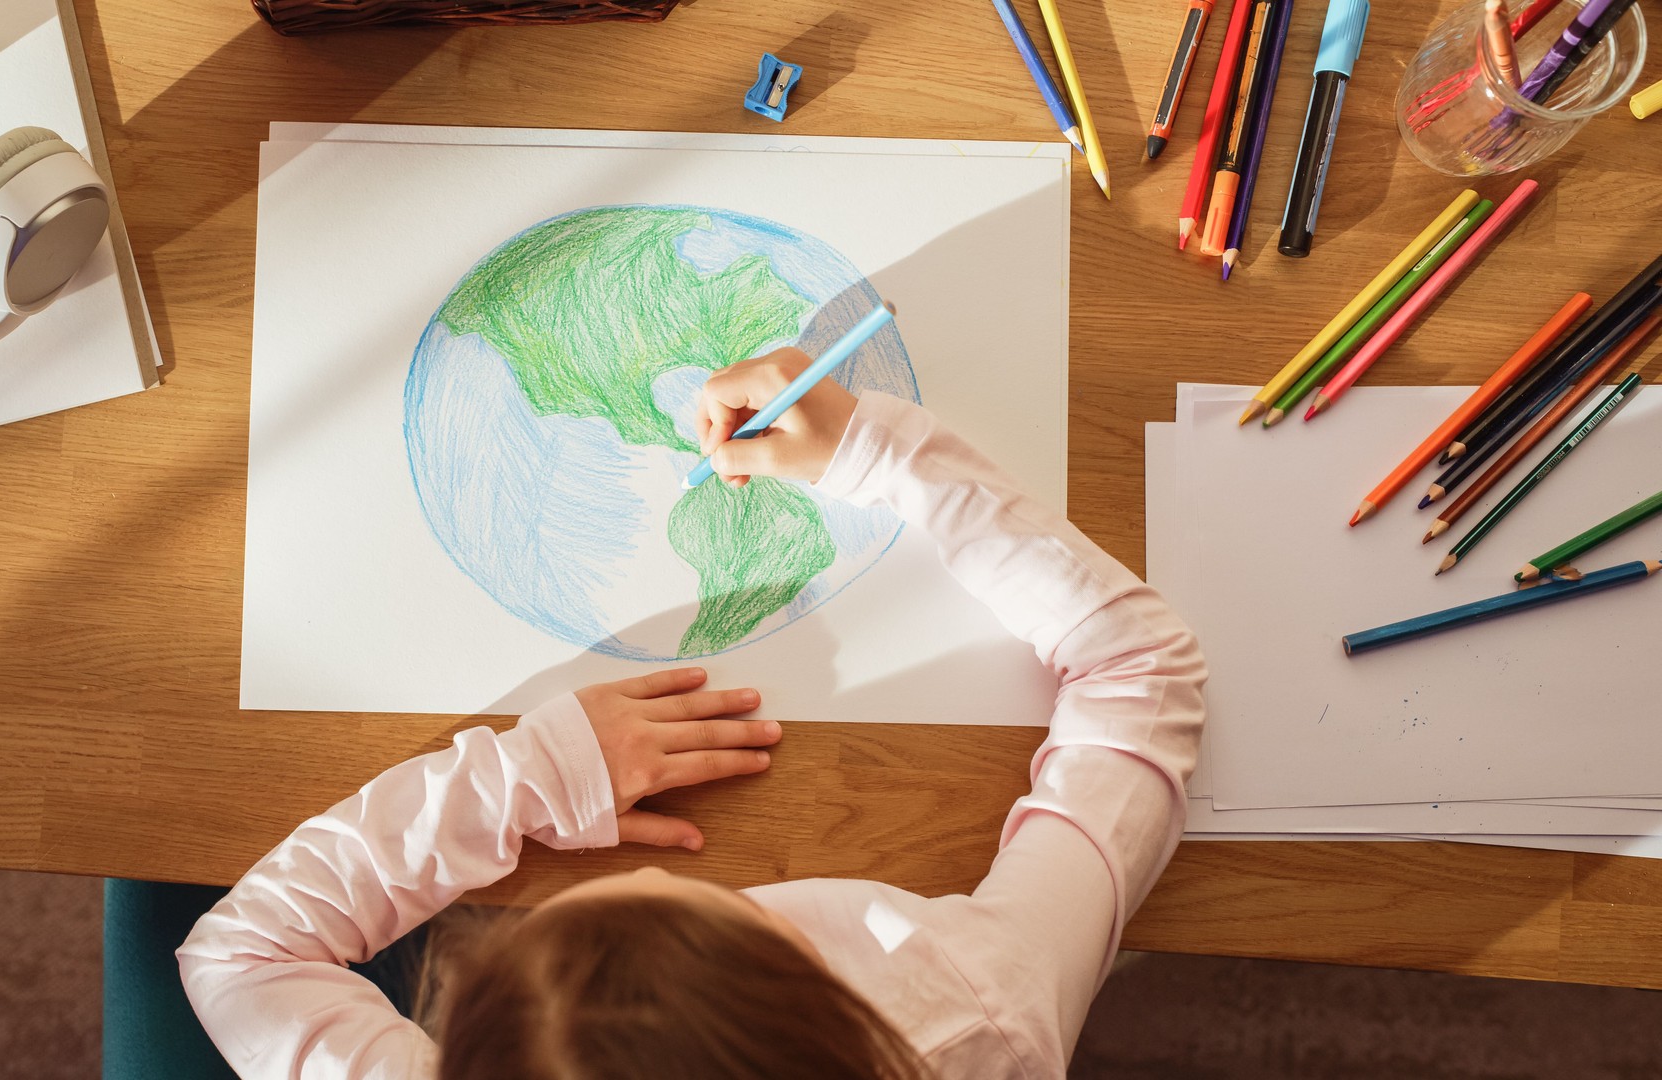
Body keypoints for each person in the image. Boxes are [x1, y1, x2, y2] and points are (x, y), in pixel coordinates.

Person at [178, 346, 1207, 1078]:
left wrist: (534, 774)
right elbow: (1140, 672)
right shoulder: (977, 1013)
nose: (649, 868)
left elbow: (239, 959)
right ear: (806, 994)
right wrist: (877, 455)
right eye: (674, 895)